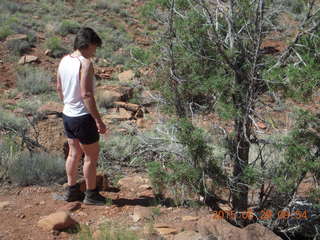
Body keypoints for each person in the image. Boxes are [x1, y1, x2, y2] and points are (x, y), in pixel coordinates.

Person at [56, 27, 107, 205]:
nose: (95, 51)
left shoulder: (64, 60)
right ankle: (91, 195)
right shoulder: (85, 64)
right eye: (95, 47)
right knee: (90, 157)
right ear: (89, 44)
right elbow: (86, 94)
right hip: (83, 117)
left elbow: (59, 88)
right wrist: (98, 120)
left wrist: (69, 103)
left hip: (68, 115)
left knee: (73, 153)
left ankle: (71, 192)